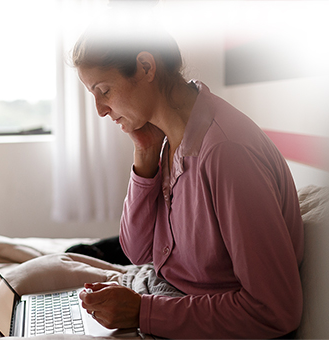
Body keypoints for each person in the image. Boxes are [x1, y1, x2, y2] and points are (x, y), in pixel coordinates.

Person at [74, 10, 304, 339]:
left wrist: (142, 311)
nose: (99, 109)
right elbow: (138, 253)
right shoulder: (168, 137)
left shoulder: (226, 153)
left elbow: (275, 310)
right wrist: (145, 155)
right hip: (167, 292)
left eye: (104, 90)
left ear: (146, 66)